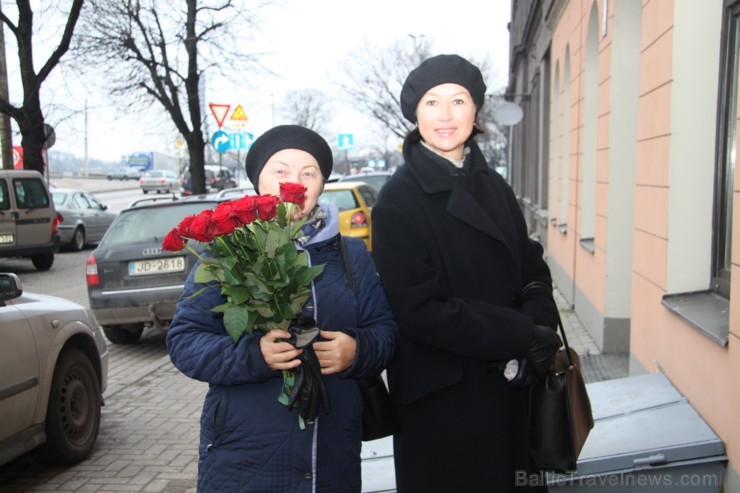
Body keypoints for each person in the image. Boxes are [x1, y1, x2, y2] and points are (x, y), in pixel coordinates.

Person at [167, 125, 398, 493]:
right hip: (243, 456)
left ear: (323, 183)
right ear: (259, 183)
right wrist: (254, 355)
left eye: (309, 173)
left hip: (332, 453)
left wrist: (357, 350)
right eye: (281, 171)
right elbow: (184, 342)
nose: (297, 182)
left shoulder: (350, 256)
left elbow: (385, 331)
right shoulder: (226, 253)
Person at [371, 54, 562, 492]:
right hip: (446, 403)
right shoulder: (397, 200)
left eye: (458, 101)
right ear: (414, 114)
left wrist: (540, 322)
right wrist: (520, 332)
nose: (445, 115)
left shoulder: (493, 184)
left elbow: (530, 263)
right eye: (432, 103)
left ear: (476, 111)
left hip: (512, 388)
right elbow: (421, 311)